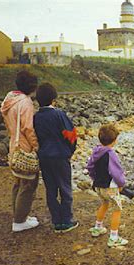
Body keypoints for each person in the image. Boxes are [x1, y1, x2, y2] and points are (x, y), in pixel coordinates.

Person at [33, 83, 79, 233]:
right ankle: (66, 220)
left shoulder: (36, 117)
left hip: (45, 157)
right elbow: (71, 135)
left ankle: (56, 220)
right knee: (65, 188)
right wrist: (69, 151)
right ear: (54, 99)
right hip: (60, 155)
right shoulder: (59, 114)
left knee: (50, 189)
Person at [0, 70, 40, 232]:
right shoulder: (26, 103)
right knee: (29, 183)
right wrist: (36, 146)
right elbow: (28, 128)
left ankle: (19, 215)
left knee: (18, 182)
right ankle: (20, 221)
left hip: (13, 146)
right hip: (24, 148)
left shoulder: (10, 99)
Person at [86, 124, 129, 247]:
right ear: (115, 140)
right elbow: (116, 172)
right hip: (110, 187)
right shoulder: (111, 154)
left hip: (98, 186)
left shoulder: (96, 151)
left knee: (104, 203)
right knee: (117, 209)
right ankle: (114, 237)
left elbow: (90, 167)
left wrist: (95, 178)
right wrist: (121, 184)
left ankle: (97, 227)